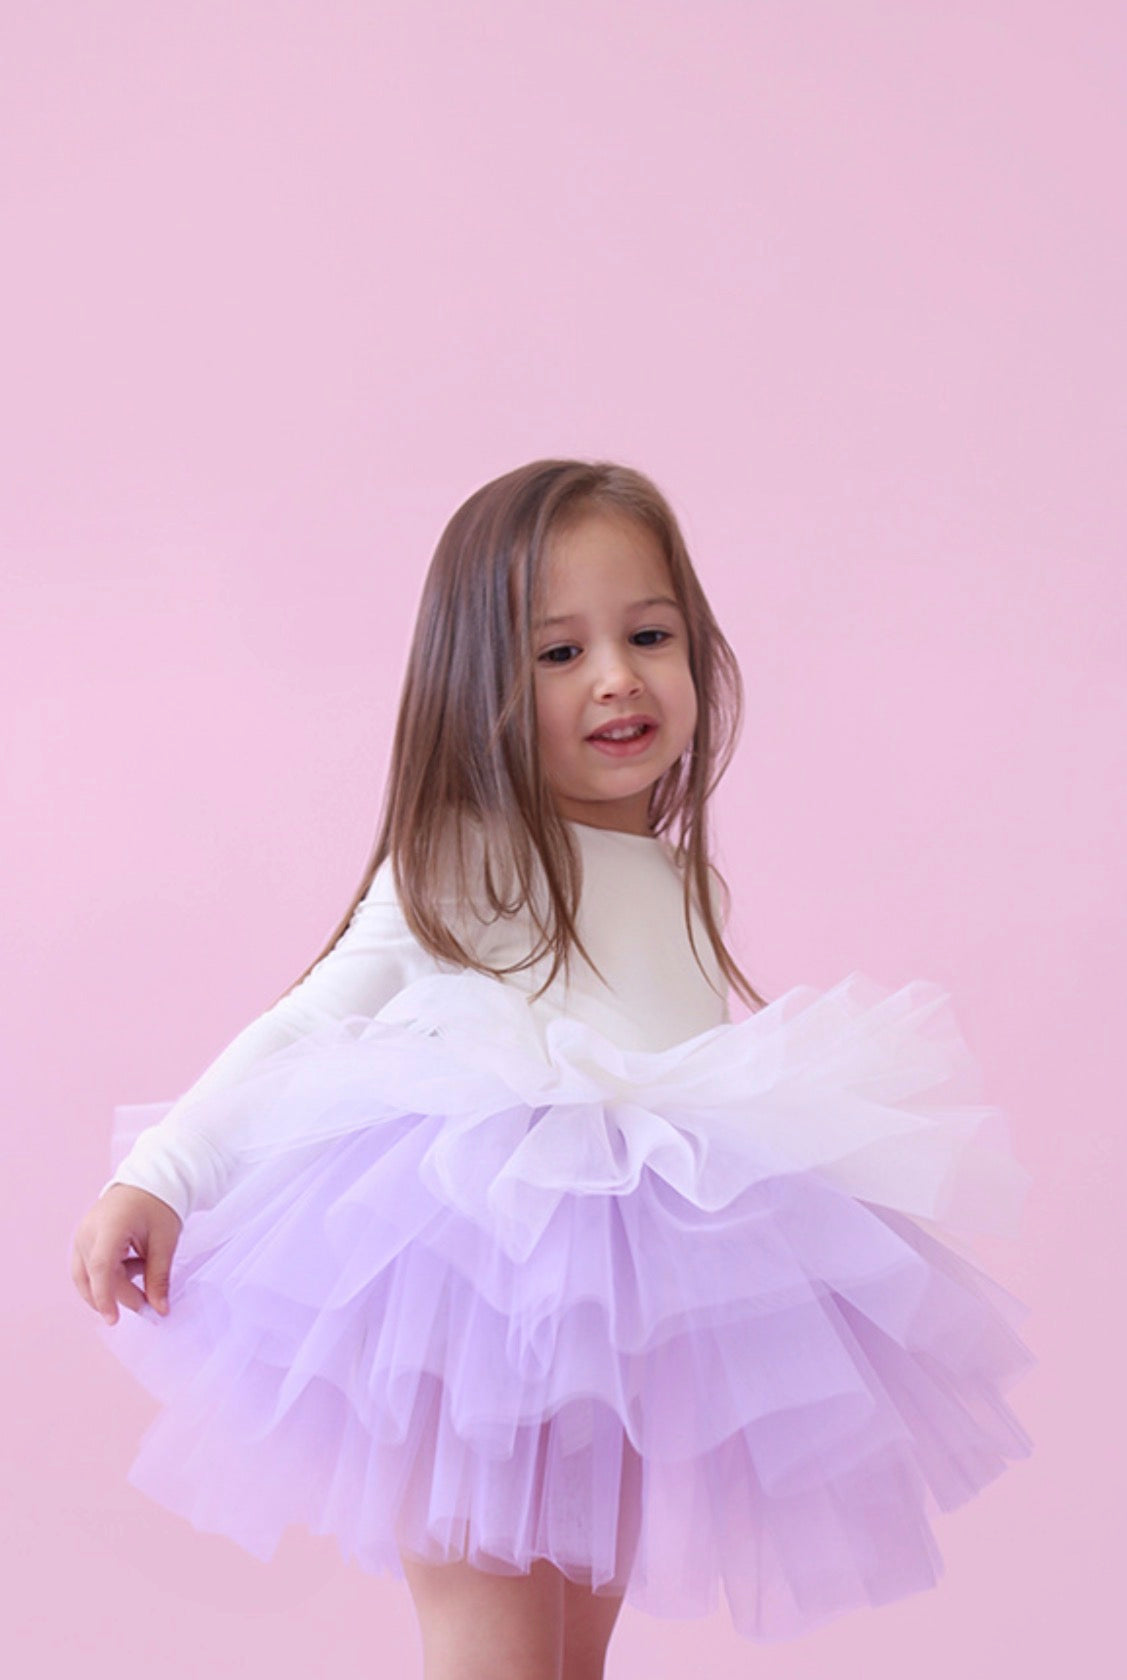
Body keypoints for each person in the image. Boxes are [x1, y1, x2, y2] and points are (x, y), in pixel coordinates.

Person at [70, 458, 1035, 1668]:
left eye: (648, 635)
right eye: (559, 653)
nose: (616, 677)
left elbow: (677, 1096)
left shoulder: (685, 882)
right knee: (496, 1653)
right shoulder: (463, 859)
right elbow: (309, 1024)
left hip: (621, 1336)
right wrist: (163, 1171)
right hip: (470, 1306)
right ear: (477, 686)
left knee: (575, 1655)